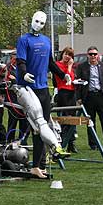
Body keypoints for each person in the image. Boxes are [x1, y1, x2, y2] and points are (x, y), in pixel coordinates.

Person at [16, 10, 70, 178]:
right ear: (31, 20)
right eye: (36, 20)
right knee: (37, 127)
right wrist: (24, 73)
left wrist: (62, 75)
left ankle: (39, 165)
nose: (38, 24)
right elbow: (20, 61)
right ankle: (36, 165)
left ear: (45, 24)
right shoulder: (23, 40)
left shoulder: (46, 41)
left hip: (43, 89)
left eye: (41, 22)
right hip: (27, 89)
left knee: (44, 125)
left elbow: (51, 63)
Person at [54, 46, 77, 153]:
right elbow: (65, 78)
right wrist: (69, 67)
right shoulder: (58, 65)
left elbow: (72, 79)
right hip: (63, 93)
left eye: (70, 55)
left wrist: (70, 67)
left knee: (72, 118)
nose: (67, 57)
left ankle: (71, 143)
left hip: (72, 92)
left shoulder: (70, 66)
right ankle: (63, 142)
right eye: (66, 54)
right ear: (62, 54)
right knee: (65, 119)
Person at [4, 51, 30, 144]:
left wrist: (16, 80)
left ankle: (22, 140)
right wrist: (15, 80)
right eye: (14, 58)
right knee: (13, 121)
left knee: (24, 121)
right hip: (13, 99)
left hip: (24, 99)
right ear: (12, 58)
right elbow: (8, 80)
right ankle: (9, 140)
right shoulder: (8, 68)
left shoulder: (25, 68)